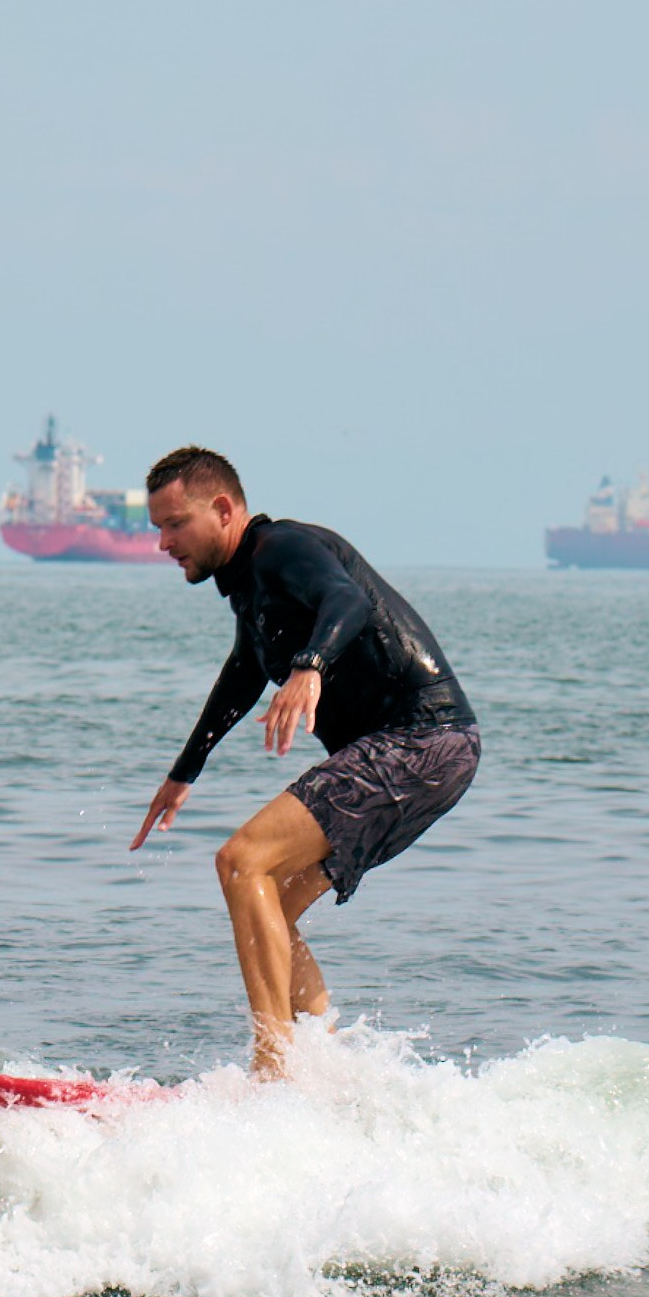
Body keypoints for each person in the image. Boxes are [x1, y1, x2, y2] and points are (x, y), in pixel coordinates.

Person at [128, 446, 478, 1078]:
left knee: (241, 861)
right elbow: (242, 674)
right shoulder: (249, 587)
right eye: (158, 528)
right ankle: (327, 1065)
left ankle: (274, 1064)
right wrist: (185, 772)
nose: (163, 543)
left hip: (419, 737)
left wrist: (309, 668)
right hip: (433, 753)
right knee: (271, 908)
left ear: (224, 509)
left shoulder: (281, 549)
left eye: (174, 524)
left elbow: (348, 601)